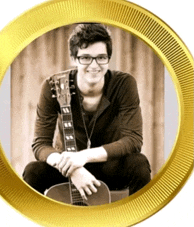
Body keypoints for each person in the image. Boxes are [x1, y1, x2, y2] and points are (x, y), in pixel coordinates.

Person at [23, 23, 151, 201]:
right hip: (66, 166)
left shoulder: (124, 84)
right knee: (33, 172)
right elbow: (40, 144)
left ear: (108, 58)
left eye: (101, 57)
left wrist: (83, 157)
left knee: (139, 165)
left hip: (107, 163)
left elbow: (133, 140)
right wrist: (73, 168)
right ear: (74, 58)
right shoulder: (53, 86)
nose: (94, 65)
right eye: (85, 58)